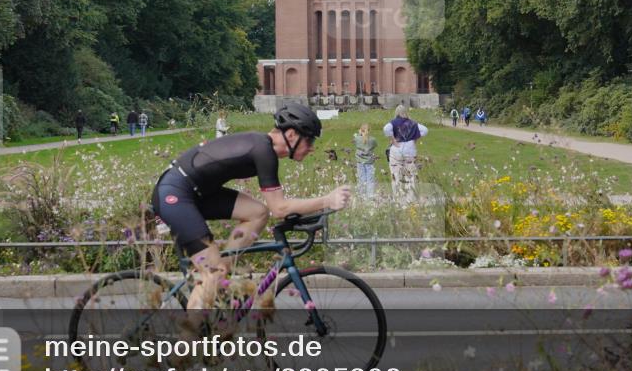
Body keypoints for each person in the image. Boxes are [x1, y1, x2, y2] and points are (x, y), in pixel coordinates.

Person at [151, 103, 351, 316]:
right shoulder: (263, 150)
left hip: (197, 192)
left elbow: (272, 209)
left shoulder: (263, 148)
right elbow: (280, 208)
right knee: (212, 273)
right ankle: (188, 344)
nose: (311, 147)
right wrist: (327, 200)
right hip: (176, 194)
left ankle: (219, 281)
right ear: (291, 135)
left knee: (258, 213)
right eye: (309, 140)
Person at [383, 105, 429, 201]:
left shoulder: (394, 122)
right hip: (410, 150)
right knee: (411, 174)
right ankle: (410, 198)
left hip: (396, 150)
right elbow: (425, 130)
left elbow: (386, 128)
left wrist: (393, 140)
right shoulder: (413, 123)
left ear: (396, 113)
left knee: (395, 173)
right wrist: (415, 139)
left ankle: (397, 197)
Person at [353, 123, 377, 198]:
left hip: (360, 162)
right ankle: (370, 196)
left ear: (360, 130)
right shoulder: (373, 140)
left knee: (361, 179)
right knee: (370, 180)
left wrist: (359, 133)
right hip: (369, 162)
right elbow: (374, 146)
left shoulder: (357, 138)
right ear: (369, 131)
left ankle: (362, 196)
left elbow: (355, 141)